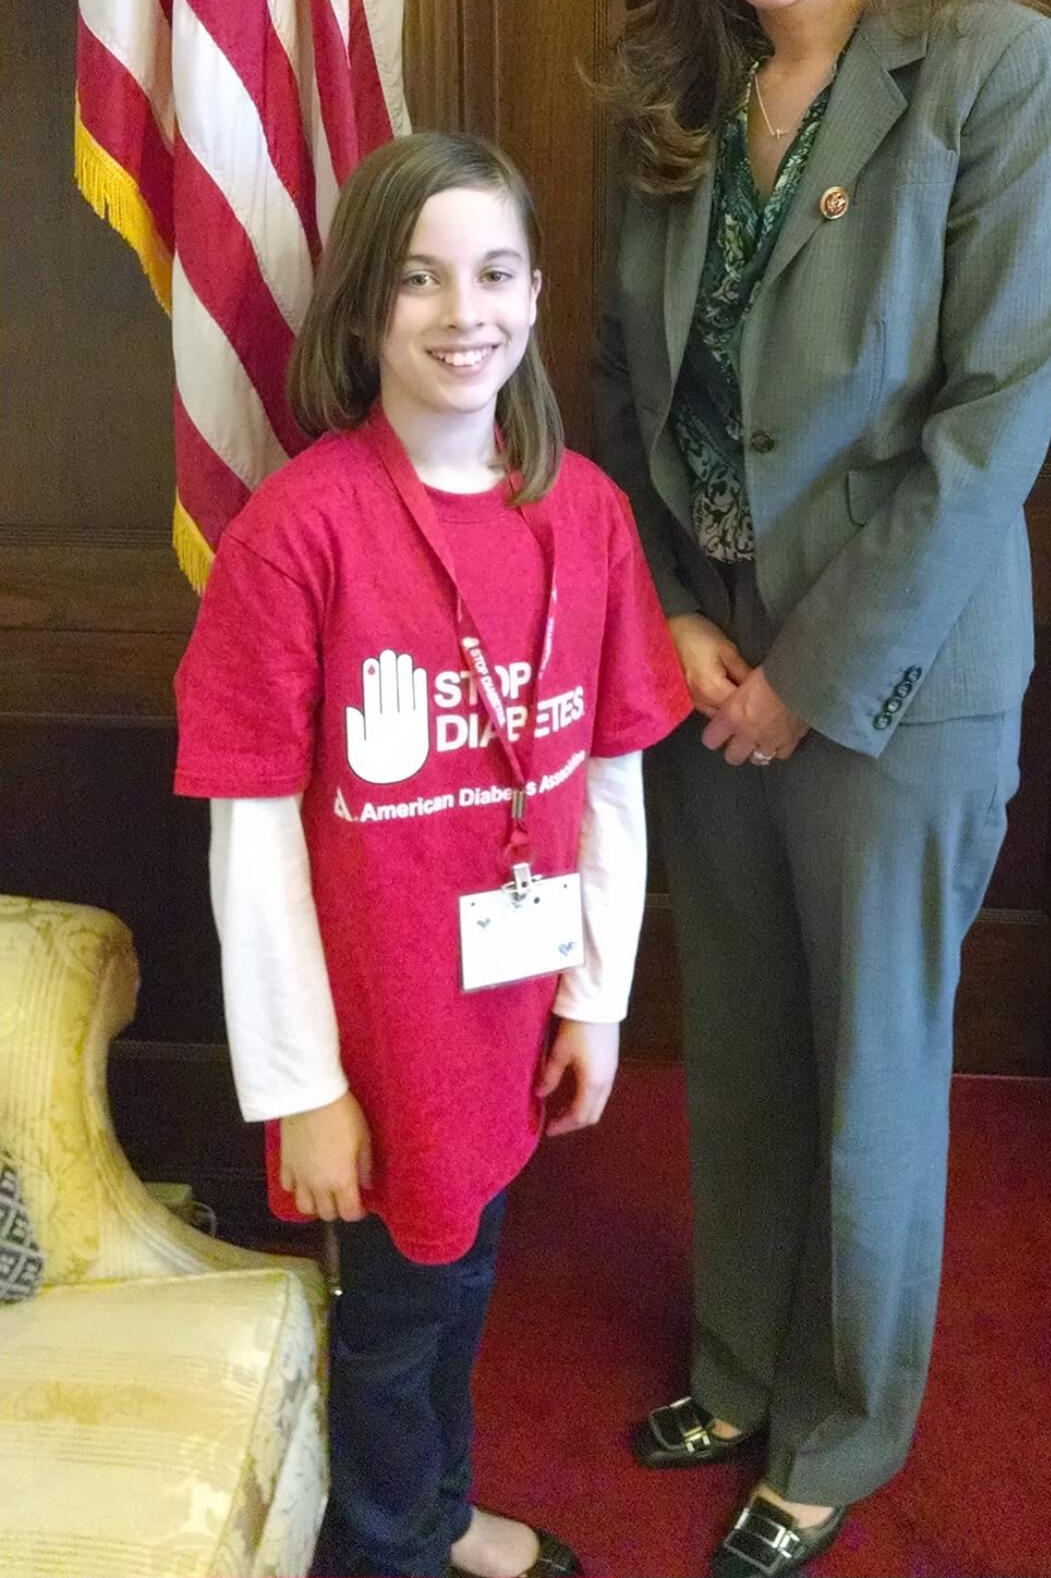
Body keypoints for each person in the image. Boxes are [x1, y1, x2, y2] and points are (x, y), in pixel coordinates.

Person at [593, 0, 1051, 1578]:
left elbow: (990, 424)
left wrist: (808, 676)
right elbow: (626, 410)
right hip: (705, 671)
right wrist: (666, 617)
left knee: (872, 1074)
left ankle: (839, 1428)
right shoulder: (667, 91)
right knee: (742, 1051)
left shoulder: (990, 67)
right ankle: (735, 1360)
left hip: (891, 689)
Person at [174, 132, 690, 1578]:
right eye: (418, 279)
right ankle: (391, 1543)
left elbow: (612, 781)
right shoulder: (299, 534)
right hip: (376, 1027)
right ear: (362, 307)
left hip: (508, 1005)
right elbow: (254, 838)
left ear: (533, 292)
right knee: (397, 1316)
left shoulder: (582, 512)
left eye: (494, 271)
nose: (464, 311)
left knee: (459, 1277)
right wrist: (303, 1089)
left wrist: (594, 997)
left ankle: (438, 1510)